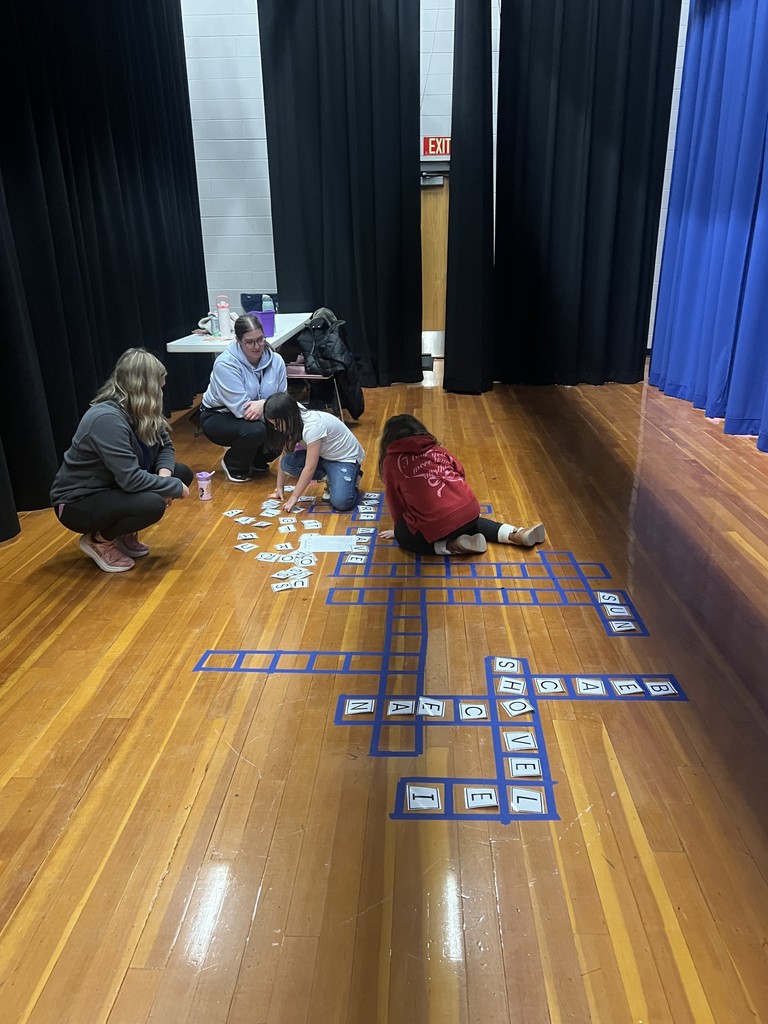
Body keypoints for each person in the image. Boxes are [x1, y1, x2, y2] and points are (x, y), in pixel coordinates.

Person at [50, 348, 192, 573]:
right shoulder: (106, 419)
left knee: (180, 472)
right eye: (159, 388)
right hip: (77, 502)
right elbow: (131, 480)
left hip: (113, 488)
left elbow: (166, 446)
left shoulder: (143, 408)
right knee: (154, 503)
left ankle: (121, 532)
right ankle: (99, 540)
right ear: (144, 388)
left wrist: (165, 477)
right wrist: (170, 487)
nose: (162, 393)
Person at [378, 414, 545, 555]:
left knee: (404, 537)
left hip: (439, 525)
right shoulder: (437, 449)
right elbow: (460, 472)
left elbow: (395, 502)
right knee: (469, 521)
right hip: (470, 509)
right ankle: (516, 534)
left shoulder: (391, 461)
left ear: (389, 441)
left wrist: (400, 528)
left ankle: (453, 546)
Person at [199, 314, 287, 482]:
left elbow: (282, 400)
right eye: (250, 342)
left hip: (259, 414)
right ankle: (234, 464)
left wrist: (264, 404)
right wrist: (271, 406)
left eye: (261, 339)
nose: (257, 346)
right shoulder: (225, 364)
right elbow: (242, 410)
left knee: (286, 425)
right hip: (219, 416)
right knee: (255, 430)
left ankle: (257, 461)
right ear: (238, 341)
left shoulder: (276, 360)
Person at [263, 392, 364, 513]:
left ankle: (354, 477)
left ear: (287, 417)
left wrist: (294, 497)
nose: (276, 428)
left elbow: (310, 468)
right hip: (324, 455)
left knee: (342, 502)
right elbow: (285, 452)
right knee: (287, 462)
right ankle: (331, 478)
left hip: (345, 459)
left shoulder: (312, 427)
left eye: (277, 424)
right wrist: (279, 487)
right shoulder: (292, 414)